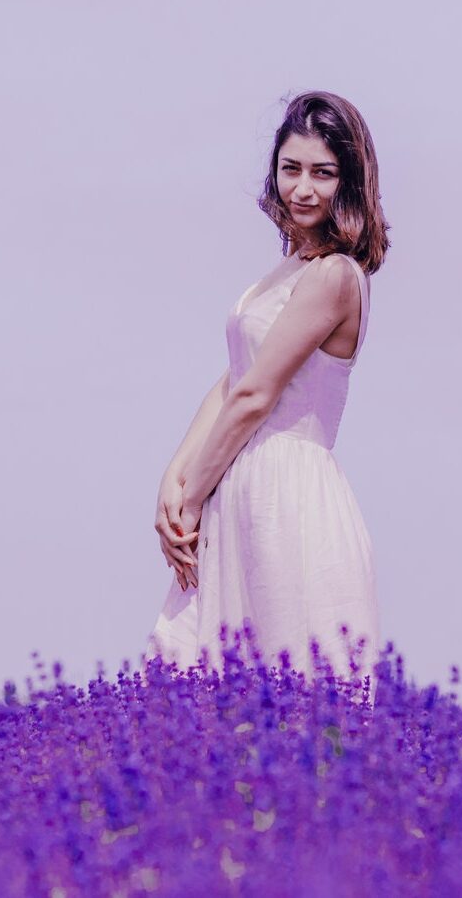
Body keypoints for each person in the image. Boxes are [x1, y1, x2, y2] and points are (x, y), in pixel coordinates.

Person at [145, 90, 391, 699]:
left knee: (297, 692)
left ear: (351, 183)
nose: (302, 188)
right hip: (240, 483)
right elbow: (232, 378)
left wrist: (192, 499)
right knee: (206, 693)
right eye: (291, 169)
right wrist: (173, 483)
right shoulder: (285, 273)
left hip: (288, 495)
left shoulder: (334, 276)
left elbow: (256, 396)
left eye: (323, 173)